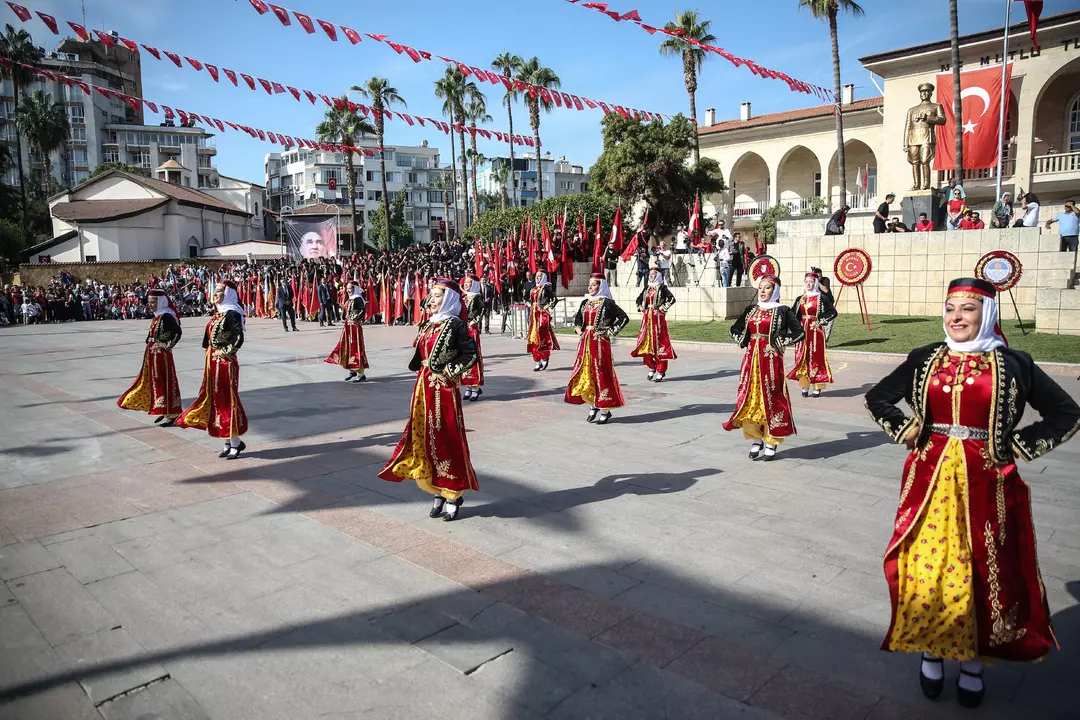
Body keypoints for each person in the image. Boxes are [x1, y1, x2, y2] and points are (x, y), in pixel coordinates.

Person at [864, 277, 1080, 709]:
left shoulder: (1014, 363)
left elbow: (1067, 412)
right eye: (950, 309)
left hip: (989, 484)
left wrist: (1017, 446)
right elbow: (878, 397)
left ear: (988, 314)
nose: (956, 317)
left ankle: (973, 664)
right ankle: (930, 649)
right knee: (930, 566)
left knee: (984, 569)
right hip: (929, 481)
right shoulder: (925, 358)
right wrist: (906, 427)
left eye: (967, 309)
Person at [378, 278, 479, 522]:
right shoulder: (428, 324)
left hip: (443, 390)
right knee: (423, 437)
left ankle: (453, 493)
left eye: (436, 296)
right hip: (423, 387)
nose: (431, 300)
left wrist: (449, 371)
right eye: (431, 295)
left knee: (447, 438)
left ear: (449, 299)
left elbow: (470, 354)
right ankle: (436, 490)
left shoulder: (456, 325)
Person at [723, 275, 804, 461]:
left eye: (767, 288)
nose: (762, 291)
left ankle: (771, 440)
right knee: (751, 397)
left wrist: (779, 341)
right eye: (760, 287)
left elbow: (800, 332)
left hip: (771, 361)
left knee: (772, 398)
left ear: (774, 290)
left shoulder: (783, 311)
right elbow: (734, 329)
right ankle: (756, 437)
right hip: (751, 361)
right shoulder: (751, 309)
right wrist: (742, 339)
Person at [175, 280, 249, 459]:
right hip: (212, 364)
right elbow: (206, 341)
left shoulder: (232, 313)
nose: (215, 293)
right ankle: (228, 440)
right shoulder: (217, 315)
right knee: (216, 400)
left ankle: (235, 441)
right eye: (215, 290)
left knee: (227, 400)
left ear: (229, 293)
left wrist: (225, 352)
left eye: (219, 290)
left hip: (225, 363)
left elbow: (238, 338)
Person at [565, 273, 629, 424]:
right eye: (590, 285)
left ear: (601, 286)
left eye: (594, 285)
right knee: (586, 372)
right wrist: (579, 329)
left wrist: (609, 331)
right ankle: (592, 405)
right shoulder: (586, 302)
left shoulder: (607, 303)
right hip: (585, 342)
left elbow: (624, 318)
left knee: (601, 372)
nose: (590, 287)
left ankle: (605, 409)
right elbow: (578, 319)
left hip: (600, 343)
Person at [117, 289, 183, 426]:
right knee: (154, 381)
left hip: (162, 355)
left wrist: (167, 346)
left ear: (161, 302)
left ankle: (172, 413)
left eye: (153, 302)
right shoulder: (158, 316)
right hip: (152, 354)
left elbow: (177, 333)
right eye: (150, 302)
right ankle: (164, 409)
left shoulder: (166, 316)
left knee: (164, 381)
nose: (151, 305)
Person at [787, 272, 837, 398]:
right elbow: (793, 315)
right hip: (802, 332)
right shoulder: (800, 299)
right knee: (801, 358)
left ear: (815, 283)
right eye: (806, 282)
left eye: (811, 282)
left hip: (816, 333)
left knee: (816, 358)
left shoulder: (822, 298)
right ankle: (804, 386)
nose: (808, 284)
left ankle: (817, 386)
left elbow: (833, 312)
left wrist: (819, 321)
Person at [631, 267, 677, 382]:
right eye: (650, 275)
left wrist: (663, 307)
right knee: (646, 343)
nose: (651, 277)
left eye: (653, 275)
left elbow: (671, 299)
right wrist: (640, 307)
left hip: (658, 319)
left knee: (660, 343)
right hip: (647, 319)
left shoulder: (662, 287)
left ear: (658, 276)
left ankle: (661, 369)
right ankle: (651, 366)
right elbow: (638, 299)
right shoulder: (647, 288)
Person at [324, 281, 369, 382]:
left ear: (355, 289)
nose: (348, 291)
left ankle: (361, 373)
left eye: (350, 288)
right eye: (348, 288)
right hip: (348, 326)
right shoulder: (351, 299)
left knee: (355, 348)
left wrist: (353, 319)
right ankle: (352, 369)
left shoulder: (358, 299)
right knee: (346, 347)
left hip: (355, 327)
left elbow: (362, 311)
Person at [526, 270, 559, 371]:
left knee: (542, 335)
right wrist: (529, 304)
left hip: (542, 315)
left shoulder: (546, 288)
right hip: (533, 315)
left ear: (544, 277)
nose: (537, 278)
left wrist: (546, 307)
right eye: (536, 276)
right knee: (532, 337)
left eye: (540, 276)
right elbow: (527, 299)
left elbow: (554, 299)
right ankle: (537, 360)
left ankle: (544, 356)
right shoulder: (533, 288)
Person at [460, 274, 486, 401]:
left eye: (469, 282)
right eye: (465, 282)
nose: (466, 284)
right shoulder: (464, 297)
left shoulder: (477, 297)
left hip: (471, 330)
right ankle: (468, 386)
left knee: (473, 356)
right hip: (462, 330)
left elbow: (482, 310)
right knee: (463, 358)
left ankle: (475, 387)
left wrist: (474, 321)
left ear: (474, 284)